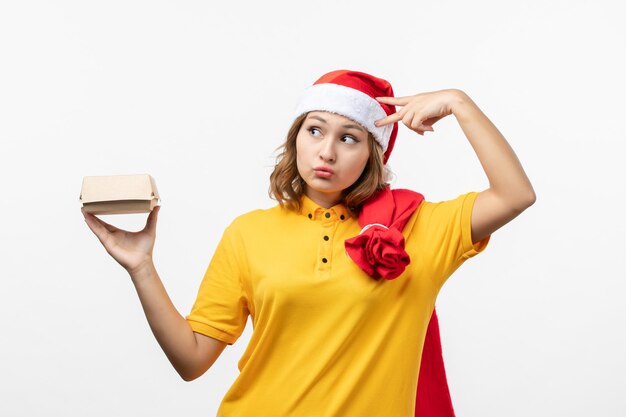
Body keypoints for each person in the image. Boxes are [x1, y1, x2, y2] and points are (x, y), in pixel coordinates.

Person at [81, 69, 535, 417]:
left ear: (373, 155)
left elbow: (515, 195)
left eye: (350, 138)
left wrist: (460, 103)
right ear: (295, 137)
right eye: (314, 130)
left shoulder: (420, 229)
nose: (327, 152)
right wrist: (141, 266)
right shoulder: (249, 232)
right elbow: (192, 360)